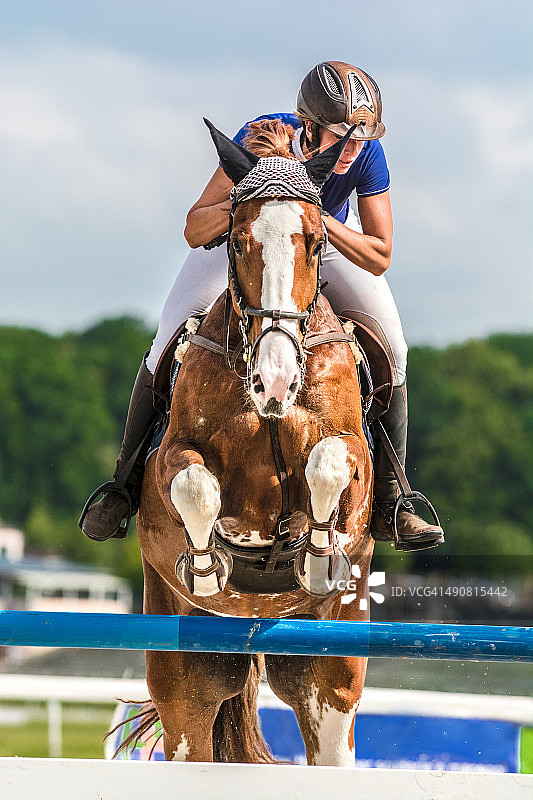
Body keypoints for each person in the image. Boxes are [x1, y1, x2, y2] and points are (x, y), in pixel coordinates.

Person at [79, 60, 444, 552]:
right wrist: (257, 203)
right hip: (249, 234)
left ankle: (394, 502)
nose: (354, 149)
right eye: (343, 136)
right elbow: (194, 228)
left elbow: (379, 253)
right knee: (167, 336)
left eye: (361, 138)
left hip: (318, 238)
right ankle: (122, 488)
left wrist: (311, 213)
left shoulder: (368, 154)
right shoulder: (260, 135)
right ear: (308, 124)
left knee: (395, 347)